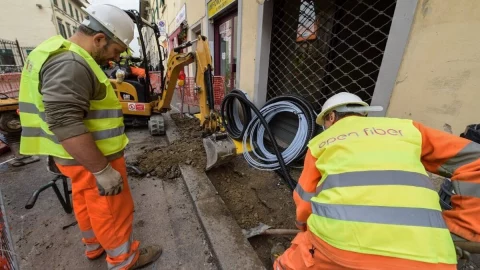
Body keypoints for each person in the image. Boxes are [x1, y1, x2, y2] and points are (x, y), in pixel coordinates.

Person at [18, 4, 162, 269]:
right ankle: (124, 259)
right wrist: (102, 169)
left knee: (84, 199)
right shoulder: (72, 64)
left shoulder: (53, 51)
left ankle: (94, 246)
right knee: (111, 208)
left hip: (71, 157)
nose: (113, 59)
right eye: (115, 50)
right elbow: (65, 122)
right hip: (93, 154)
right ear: (98, 39)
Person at [273, 92, 480, 269]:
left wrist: (303, 227)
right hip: (432, 256)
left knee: (291, 261)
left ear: (332, 117)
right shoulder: (408, 129)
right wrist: (462, 230)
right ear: (363, 113)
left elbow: (304, 200)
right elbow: (475, 160)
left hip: (340, 246)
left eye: (325, 122)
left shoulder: (321, 142)